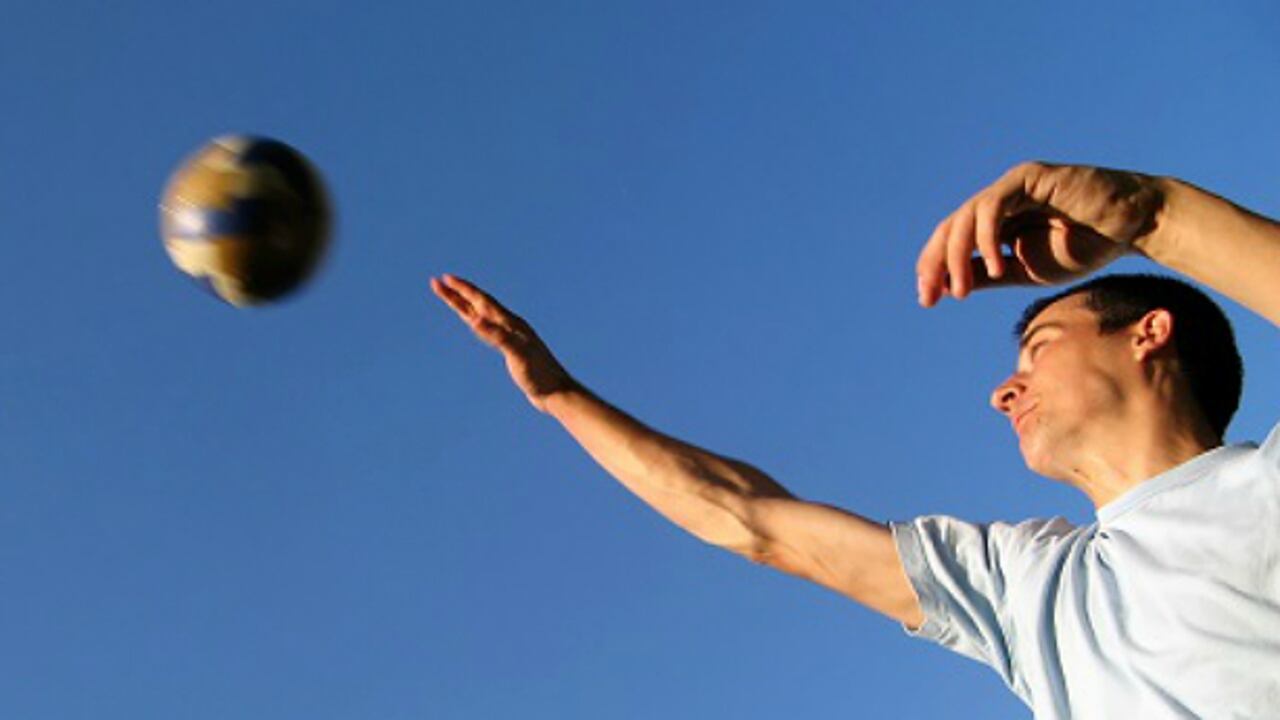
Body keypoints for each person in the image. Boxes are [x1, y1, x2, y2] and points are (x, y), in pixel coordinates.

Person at [430, 162, 1280, 719]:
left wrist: (1149, 214)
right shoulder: (1029, 587)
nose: (1003, 387)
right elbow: (750, 519)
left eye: (1042, 346)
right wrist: (561, 397)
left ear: (1149, 335)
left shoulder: (1261, 491)